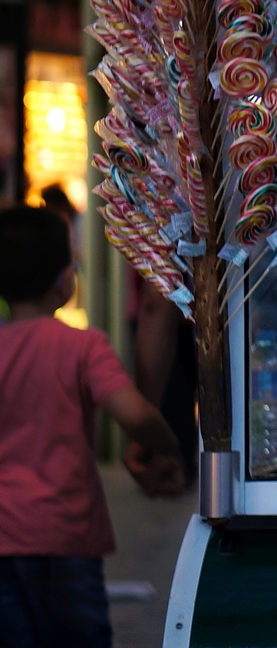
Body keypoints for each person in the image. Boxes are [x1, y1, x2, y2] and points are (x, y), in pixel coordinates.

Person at [0, 205, 186, 647]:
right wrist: (165, 447)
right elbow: (135, 414)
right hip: (66, 541)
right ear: (67, 281)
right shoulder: (82, 347)